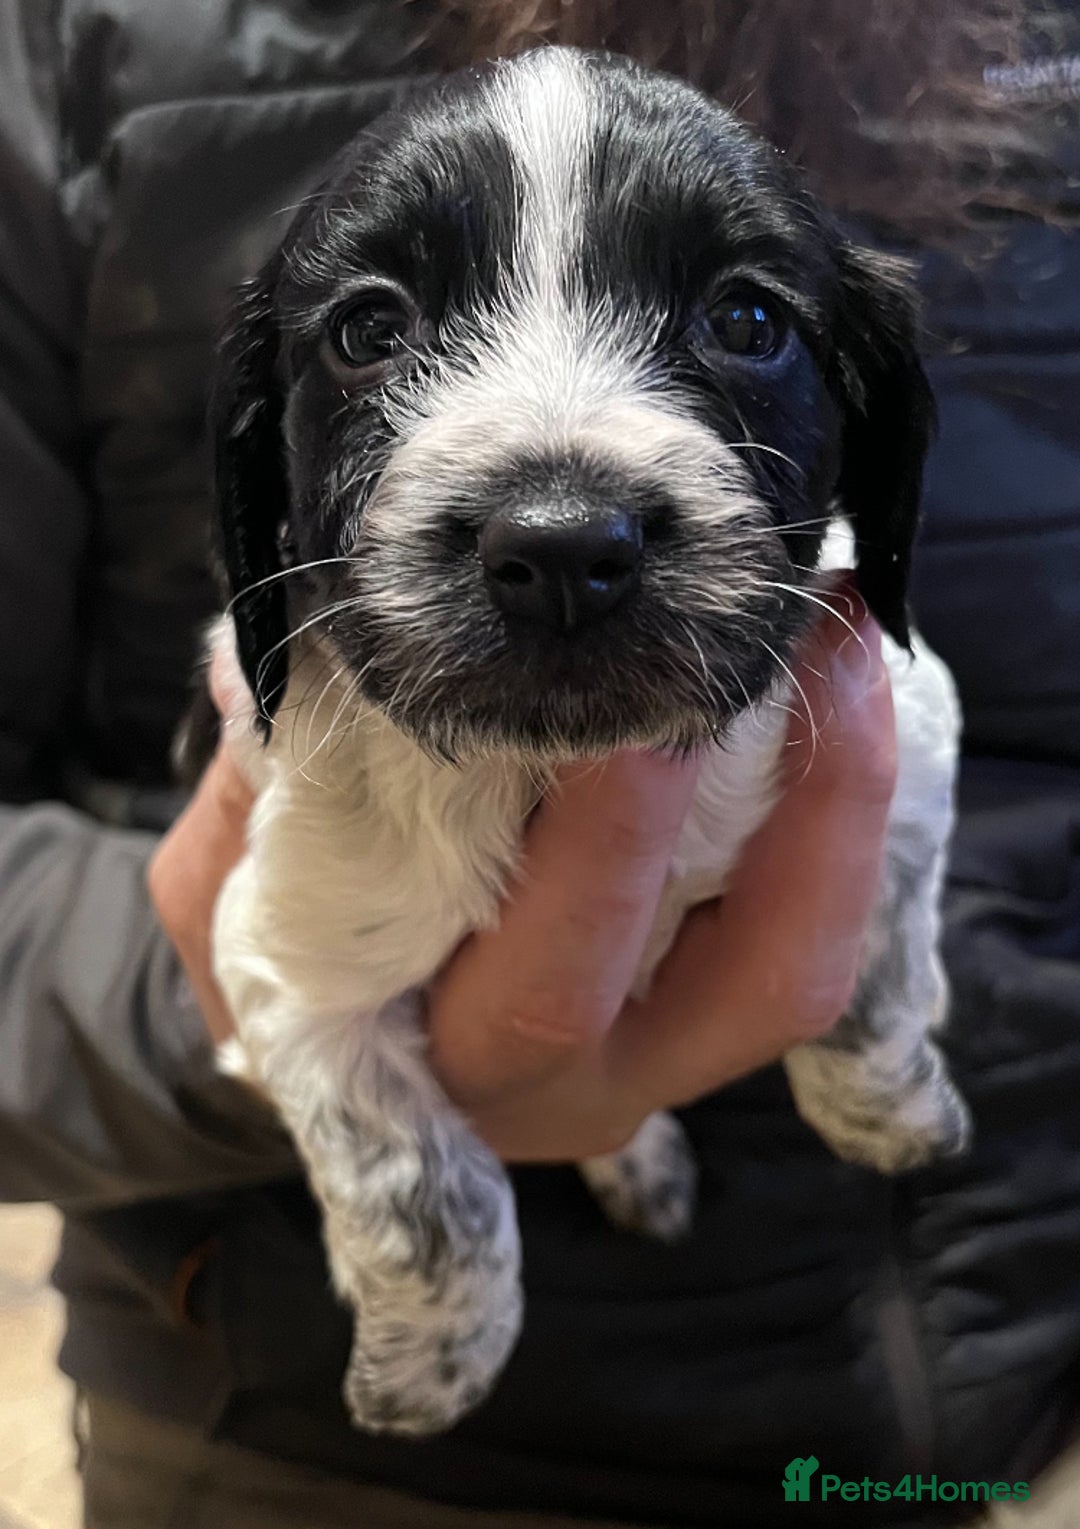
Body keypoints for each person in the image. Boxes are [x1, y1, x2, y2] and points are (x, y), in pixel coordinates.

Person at [1, 2, 1078, 1525]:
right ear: (259, 463)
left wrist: (873, 1043)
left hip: (961, 1385)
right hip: (282, 1433)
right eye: (375, 329)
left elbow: (925, 751)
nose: (564, 517)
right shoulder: (80, 43)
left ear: (876, 431)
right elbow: (280, 977)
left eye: (746, 321)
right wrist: (430, 1240)